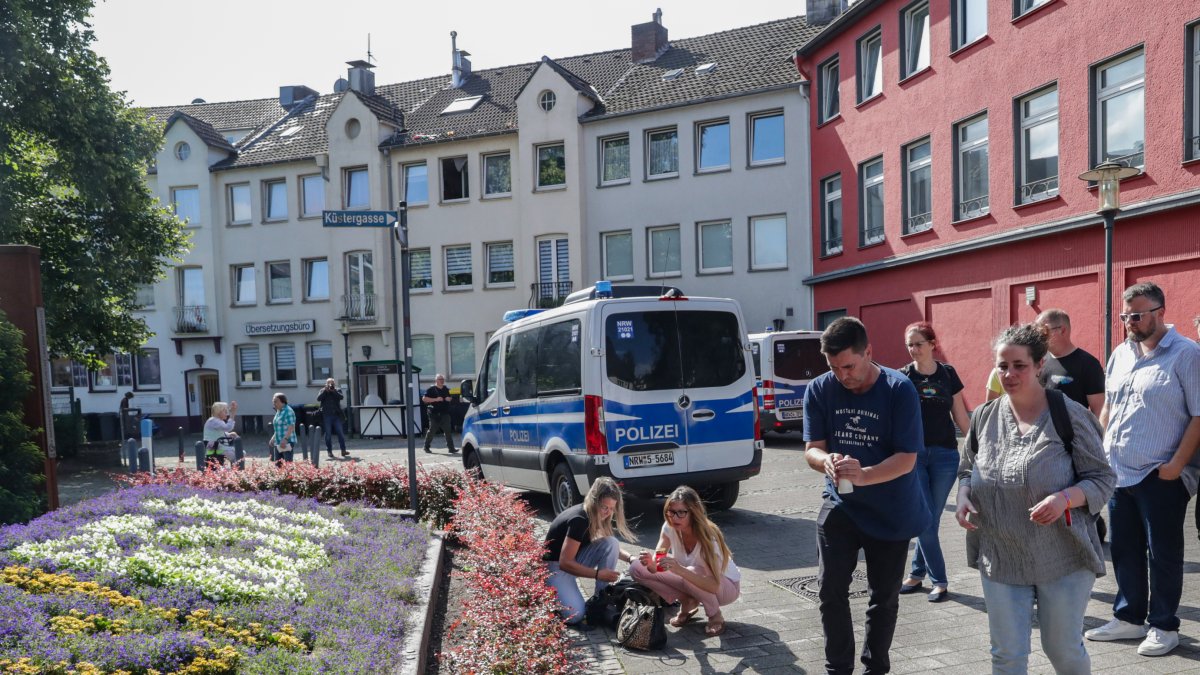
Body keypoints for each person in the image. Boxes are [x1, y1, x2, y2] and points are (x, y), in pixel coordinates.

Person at [956, 323, 1115, 673]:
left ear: (1040, 365)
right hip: (1001, 554)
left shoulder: (1068, 415)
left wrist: (1065, 498)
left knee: (1062, 650)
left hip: (1061, 556)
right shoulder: (983, 418)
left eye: (1019, 365)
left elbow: (1103, 478)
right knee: (1007, 655)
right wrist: (965, 494)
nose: (1009, 374)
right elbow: (967, 469)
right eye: (1002, 366)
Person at [802, 316, 928, 675]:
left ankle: (875, 669)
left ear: (868, 352)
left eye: (849, 366)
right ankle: (837, 669)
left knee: (883, 599)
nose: (843, 375)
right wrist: (826, 462)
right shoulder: (820, 389)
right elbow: (812, 447)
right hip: (840, 505)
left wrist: (866, 474)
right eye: (834, 367)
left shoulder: (898, 389)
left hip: (892, 510)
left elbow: (907, 459)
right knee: (829, 592)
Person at [1084, 282, 1200, 657]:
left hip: (1160, 474)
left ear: (1161, 312)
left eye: (1137, 314)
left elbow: (1199, 415)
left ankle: (1164, 626)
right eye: (1125, 315)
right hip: (1119, 471)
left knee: (1162, 553)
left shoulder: (1187, 354)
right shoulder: (1121, 353)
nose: (1130, 322)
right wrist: (1101, 452)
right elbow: (1109, 407)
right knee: (1124, 550)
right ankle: (1130, 618)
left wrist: (1176, 466)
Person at [897, 322, 970, 603]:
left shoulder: (948, 373)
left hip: (945, 456)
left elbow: (961, 416)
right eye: (909, 345)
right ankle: (939, 580)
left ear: (932, 344)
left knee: (931, 518)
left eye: (918, 344)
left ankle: (916, 574)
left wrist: (976, 448)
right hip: (913, 456)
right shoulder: (903, 377)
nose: (913, 350)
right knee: (926, 520)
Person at [630, 486, 741, 637]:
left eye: (681, 513)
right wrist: (650, 564)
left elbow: (714, 585)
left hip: (726, 588)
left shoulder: (709, 537)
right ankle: (687, 602)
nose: (674, 518)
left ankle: (715, 615)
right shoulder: (669, 528)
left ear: (693, 513)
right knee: (637, 567)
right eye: (671, 512)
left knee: (691, 571)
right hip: (691, 576)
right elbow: (658, 564)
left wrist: (680, 570)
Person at [543, 477, 636, 626]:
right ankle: (550, 597)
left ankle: (602, 601)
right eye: (605, 507)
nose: (608, 512)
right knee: (575, 616)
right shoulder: (580, 519)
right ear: (594, 500)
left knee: (611, 542)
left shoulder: (596, 514)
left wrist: (632, 558)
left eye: (612, 508)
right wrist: (598, 575)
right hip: (555, 568)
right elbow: (565, 563)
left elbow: (609, 545)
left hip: (572, 560)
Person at [1034, 309, 1106, 417]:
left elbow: (1100, 412)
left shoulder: (1088, 364)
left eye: (1044, 331)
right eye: (1036, 332)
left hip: (1073, 433)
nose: (1039, 337)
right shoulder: (1039, 361)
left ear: (1062, 330)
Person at [422, 374, 456, 454]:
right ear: (436, 380)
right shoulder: (431, 389)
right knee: (432, 431)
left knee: (448, 431)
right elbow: (424, 399)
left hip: (445, 413)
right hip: (434, 414)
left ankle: (451, 448)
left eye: (443, 379)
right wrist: (435, 399)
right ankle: (426, 447)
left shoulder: (445, 389)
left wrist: (449, 399)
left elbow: (449, 397)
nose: (442, 381)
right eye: (440, 379)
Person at [318, 378, 349, 459]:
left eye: (332, 383)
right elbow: (318, 399)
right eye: (329, 383)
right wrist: (325, 391)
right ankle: (329, 451)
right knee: (328, 434)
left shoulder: (337, 390)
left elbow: (341, 397)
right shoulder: (322, 390)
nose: (331, 385)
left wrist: (333, 391)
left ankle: (343, 450)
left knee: (340, 433)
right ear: (326, 384)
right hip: (326, 415)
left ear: (334, 384)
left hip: (336, 416)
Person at [202, 401, 239, 468]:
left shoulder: (216, 421)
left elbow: (219, 433)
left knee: (239, 453)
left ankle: (233, 470)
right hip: (215, 449)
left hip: (217, 447)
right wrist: (232, 414)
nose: (226, 413)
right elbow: (228, 427)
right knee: (237, 454)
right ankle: (236, 471)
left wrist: (229, 434)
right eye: (224, 411)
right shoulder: (214, 421)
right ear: (218, 412)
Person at [270, 392, 297, 464]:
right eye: (273, 401)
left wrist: (285, 439)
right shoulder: (279, 411)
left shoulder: (288, 411)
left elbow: (291, 427)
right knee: (278, 464)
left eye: (275, 401)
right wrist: (273, 438)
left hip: (287, 441)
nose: (274, 403)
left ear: (282, 401)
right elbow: (278, 427)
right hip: (278, 441)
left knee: (287, 464)